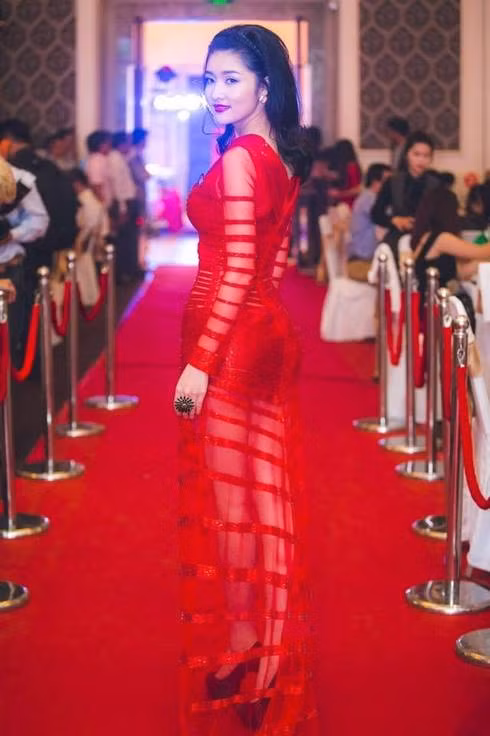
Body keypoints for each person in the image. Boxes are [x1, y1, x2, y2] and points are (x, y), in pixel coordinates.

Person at [174, 24, 317, 735]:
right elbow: (274, 260)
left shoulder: (239, 159)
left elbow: (233, 268)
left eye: (232, 78)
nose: (217, 91)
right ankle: (266, 658)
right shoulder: (280, 156)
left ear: (265, 85)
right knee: (268, 506)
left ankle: (248, 656)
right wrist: (256, 321)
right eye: (211, 79)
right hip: (263, 330)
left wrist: (200, 363)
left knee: (234, 511)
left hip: (228, 342)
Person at [371, 130, 439, 263]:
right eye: (416, 154)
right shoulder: (393, 182)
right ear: (407, 154)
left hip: (426, 239)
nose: (421, 160)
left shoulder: (436, 184)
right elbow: (376, 213)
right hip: (397, 236)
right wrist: (394, 220)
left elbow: (442, 218)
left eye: (426, 156)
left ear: (431, 158)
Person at [346, 162, 391, 281]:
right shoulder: (370, 199)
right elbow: (384, 224)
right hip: (363, 258)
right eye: (388, 182)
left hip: (360, 254)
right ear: (375, 182)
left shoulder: (366, 196)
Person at [328, 138, 362, 209]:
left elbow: (357, 189)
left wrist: (339, 194)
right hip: (341, 204)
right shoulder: (342, 167)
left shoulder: (352, 167)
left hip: (349, 205)